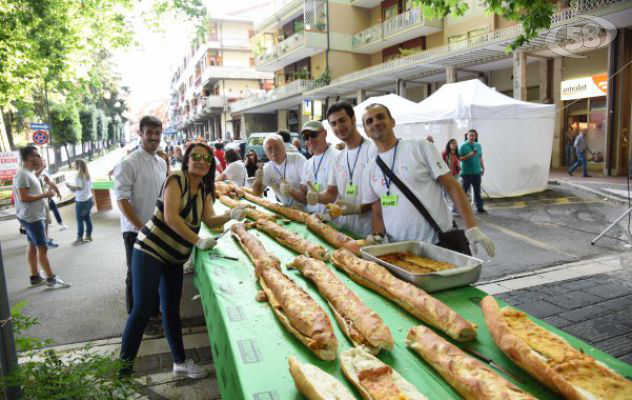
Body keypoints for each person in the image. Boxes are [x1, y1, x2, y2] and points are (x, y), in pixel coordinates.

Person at [119, 143, 247, 378]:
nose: (200, 161)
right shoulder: (176, 180)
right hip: (150, 251)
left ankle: (179, 363)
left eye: (206, 158)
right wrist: (197, 241)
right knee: (142, 309)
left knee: (170, 311)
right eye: (195, 156)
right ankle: (124, 371)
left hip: (174, 259)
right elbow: (170, 217)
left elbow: (210, 220)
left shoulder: (206, 189)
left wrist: (231, 214)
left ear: (211, 165)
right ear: (187, 160)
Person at [360, 104, 495, 257]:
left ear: (392, 121)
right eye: (369, 121)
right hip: (400, 251)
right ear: (365, 131)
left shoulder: (420, 147)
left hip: (439, 242)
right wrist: (377, 237)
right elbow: (377, 213)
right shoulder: (369, 170)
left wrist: (472, 228)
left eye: (380, 117)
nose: (375, 123)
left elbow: (451, 185)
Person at [114, 116, 168, 339]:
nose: (154, 138)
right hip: (135, 231)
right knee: (135, 275)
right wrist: (140, 226)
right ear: (141, 134)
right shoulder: (129, 162)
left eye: (157, 133)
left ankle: (154, 314)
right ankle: (137, 319)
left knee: (154, 273)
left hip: (157, 229)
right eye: (150, 133)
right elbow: (121, 199)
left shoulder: (161, 162)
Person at [306, 102, 375, 238]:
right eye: (334, 124)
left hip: (368, 232)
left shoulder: (372, 150)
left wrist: (358, 209)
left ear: (353, 119)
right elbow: (331, 193)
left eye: (342, 120)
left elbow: (380, 197)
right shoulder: (338, 157)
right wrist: (318, 197)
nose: (339, 127)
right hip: (343, 230)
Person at [12, 145, 71, 289]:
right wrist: (46, 194)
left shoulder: (29, 173)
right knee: (42, 247)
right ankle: (51, 278)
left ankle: (35, 277)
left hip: (31, 216)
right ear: (29, 157)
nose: (40, 157)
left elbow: (33, 178)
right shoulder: (23, 175)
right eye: (37, 155)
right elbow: (24, 197)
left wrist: (42, 167)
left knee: (32, 245)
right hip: (32, 218)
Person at [287, 120, 334, 214]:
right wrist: (290, 190)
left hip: (332, 220)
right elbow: (305, 197)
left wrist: (319, 197)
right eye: (306, 137)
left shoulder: (337, 157)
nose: (310, 140)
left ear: (324, 133)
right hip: (312, 217)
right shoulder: (308, 163)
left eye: (313, 134)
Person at [252, 134, 306, 207]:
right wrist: (258, 180)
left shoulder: (298, 160)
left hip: (307, 209)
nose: (274, 151)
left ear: (284, 147)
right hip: (288, 210)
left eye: (276, 146)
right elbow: (257, 193)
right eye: (269, 148)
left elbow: (307, 199)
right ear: (266, 153)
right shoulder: (267, 168)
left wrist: (291, 190)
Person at [66, 159, 94, 244]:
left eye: (75, 164)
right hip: (88, 199)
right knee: (87, 218)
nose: (74, 166)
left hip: (81, 200)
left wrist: (70, 186)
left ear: (78, 165)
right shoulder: (87, 174)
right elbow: (86, 188)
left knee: (79, 220)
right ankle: (88, 235)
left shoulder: (79, 175)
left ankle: (80, 237)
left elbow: (79, 187)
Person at [459, 129, 487, 214]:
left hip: (477, 172)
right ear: (467, 136)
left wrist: (483, 168)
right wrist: (469, 155)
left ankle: (480, 207)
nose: (471, 137)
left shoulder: (478, 145)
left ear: (476, 136)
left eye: (473, 135)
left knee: (477, 191)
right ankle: (461, 209)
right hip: (466, 173)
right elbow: (459, 158)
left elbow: (480, 157)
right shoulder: (463, 146)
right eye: (470, 135)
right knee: (463, 192)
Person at [36, 163, 67, 231]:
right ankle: (60, 224)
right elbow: (51, 183)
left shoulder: (34, 173)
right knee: (53, 209)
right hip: (46, 196)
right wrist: (58, 192)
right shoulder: (44, 173)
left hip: (40, 197)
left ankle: (57, 224)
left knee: (47, 212)